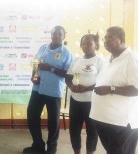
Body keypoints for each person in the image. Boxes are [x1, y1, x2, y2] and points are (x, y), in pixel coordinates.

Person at [91, 26, 138, 154]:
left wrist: (111, 89)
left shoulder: (132, 59)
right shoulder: (109, 59)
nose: (105, 41)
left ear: (121, 39)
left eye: (110, 37)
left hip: (122, 122)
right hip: (105, 119)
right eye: (104, 38)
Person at [23, 25, 73, 154]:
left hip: (53, 90)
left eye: (59, 34)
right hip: (38, 88)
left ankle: (52, 148)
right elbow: (36, 63)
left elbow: (68, 74)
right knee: (32, 115)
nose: (55, 36)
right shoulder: (43, 48)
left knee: (53, 121)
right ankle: (38, 145)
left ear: (64, 36)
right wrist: (33, 75)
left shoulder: (66, 52)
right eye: (54, 33)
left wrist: (50, 68)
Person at [65, 33, 104, 154]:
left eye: (89, 44)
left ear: (96, 45)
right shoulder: (77, 60)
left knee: (92, 130)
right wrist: (71, 86)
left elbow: (103, 81)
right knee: (74, 130)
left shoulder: (100, 61)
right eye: (83, 44)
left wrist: (86, 88)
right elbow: (68, 77)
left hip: (92, 101)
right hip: (75, 100)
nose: (85, 46)